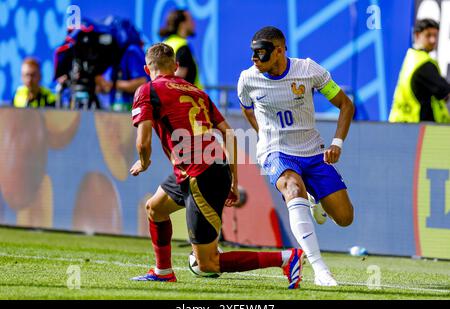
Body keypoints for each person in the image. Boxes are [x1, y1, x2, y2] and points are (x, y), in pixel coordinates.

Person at [129, 43, 305, 289]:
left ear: (147, 68)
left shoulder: (147, 90)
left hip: (199, 174)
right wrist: (233, 178)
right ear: (176, 67)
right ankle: (163, 271)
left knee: (208, 265)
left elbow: (143, 141)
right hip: (204, 169)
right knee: (155, 209)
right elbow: (229, 135)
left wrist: (144, 162)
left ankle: (286, 258)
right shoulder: (197, 92)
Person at [238, 26, 355, 287]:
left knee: (345, 218)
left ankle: (314, 199)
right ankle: (320, 269)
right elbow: (247, 109)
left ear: (280, 50)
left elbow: (346, 105)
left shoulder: (309, 70)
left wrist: (337, 143)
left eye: (262, 54)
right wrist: (263, 136)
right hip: (276, 151)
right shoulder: (248, 79)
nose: (256, 60)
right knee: (292, 187)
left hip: (313, 152)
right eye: (253, 55)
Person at [389, 19, 450, 123]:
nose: (433, 40)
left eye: (435, 36)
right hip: (420, 130)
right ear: (417, 35)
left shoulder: (411, 58)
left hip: (401, 124)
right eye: (428, 35)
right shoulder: (423, 64)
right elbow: (445, 93)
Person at [96, 44, 148, 112]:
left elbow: (143, 81)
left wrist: (113, 84)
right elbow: (101, 87)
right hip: (112, 109)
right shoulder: (110, 56)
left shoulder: (132, 50)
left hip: (133, 110)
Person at [159, 9, 202, 88]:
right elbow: (177, 79)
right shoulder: (182, 47)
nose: (194, 23)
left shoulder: (164, 43)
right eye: (190, 20)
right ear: (182, 24)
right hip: (188, 99)